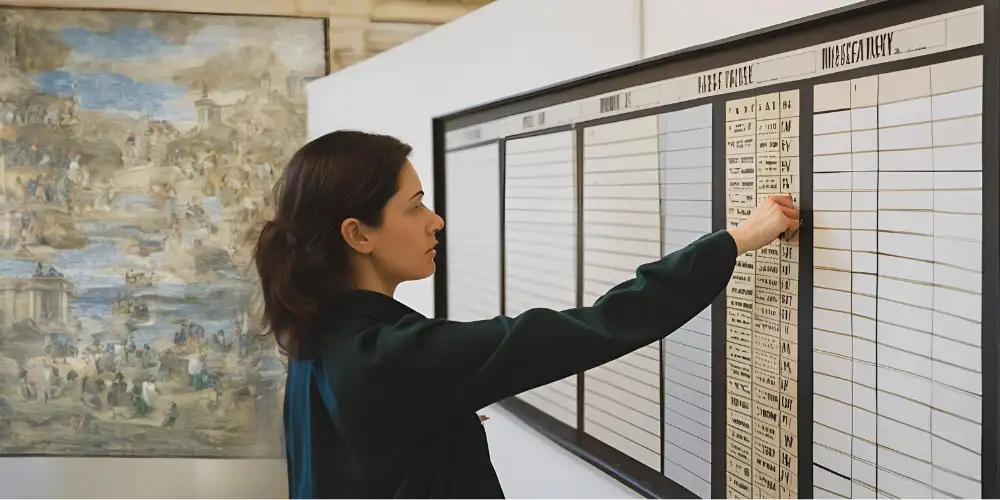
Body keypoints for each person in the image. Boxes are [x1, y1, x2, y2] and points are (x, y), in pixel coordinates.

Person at [253, 130, 799, 499]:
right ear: (358, 233)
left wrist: (444, 425)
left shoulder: (317, 338)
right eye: (415, 205)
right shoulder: (392, 357)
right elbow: (604, 324)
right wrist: (736, 240)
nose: (435, 221)